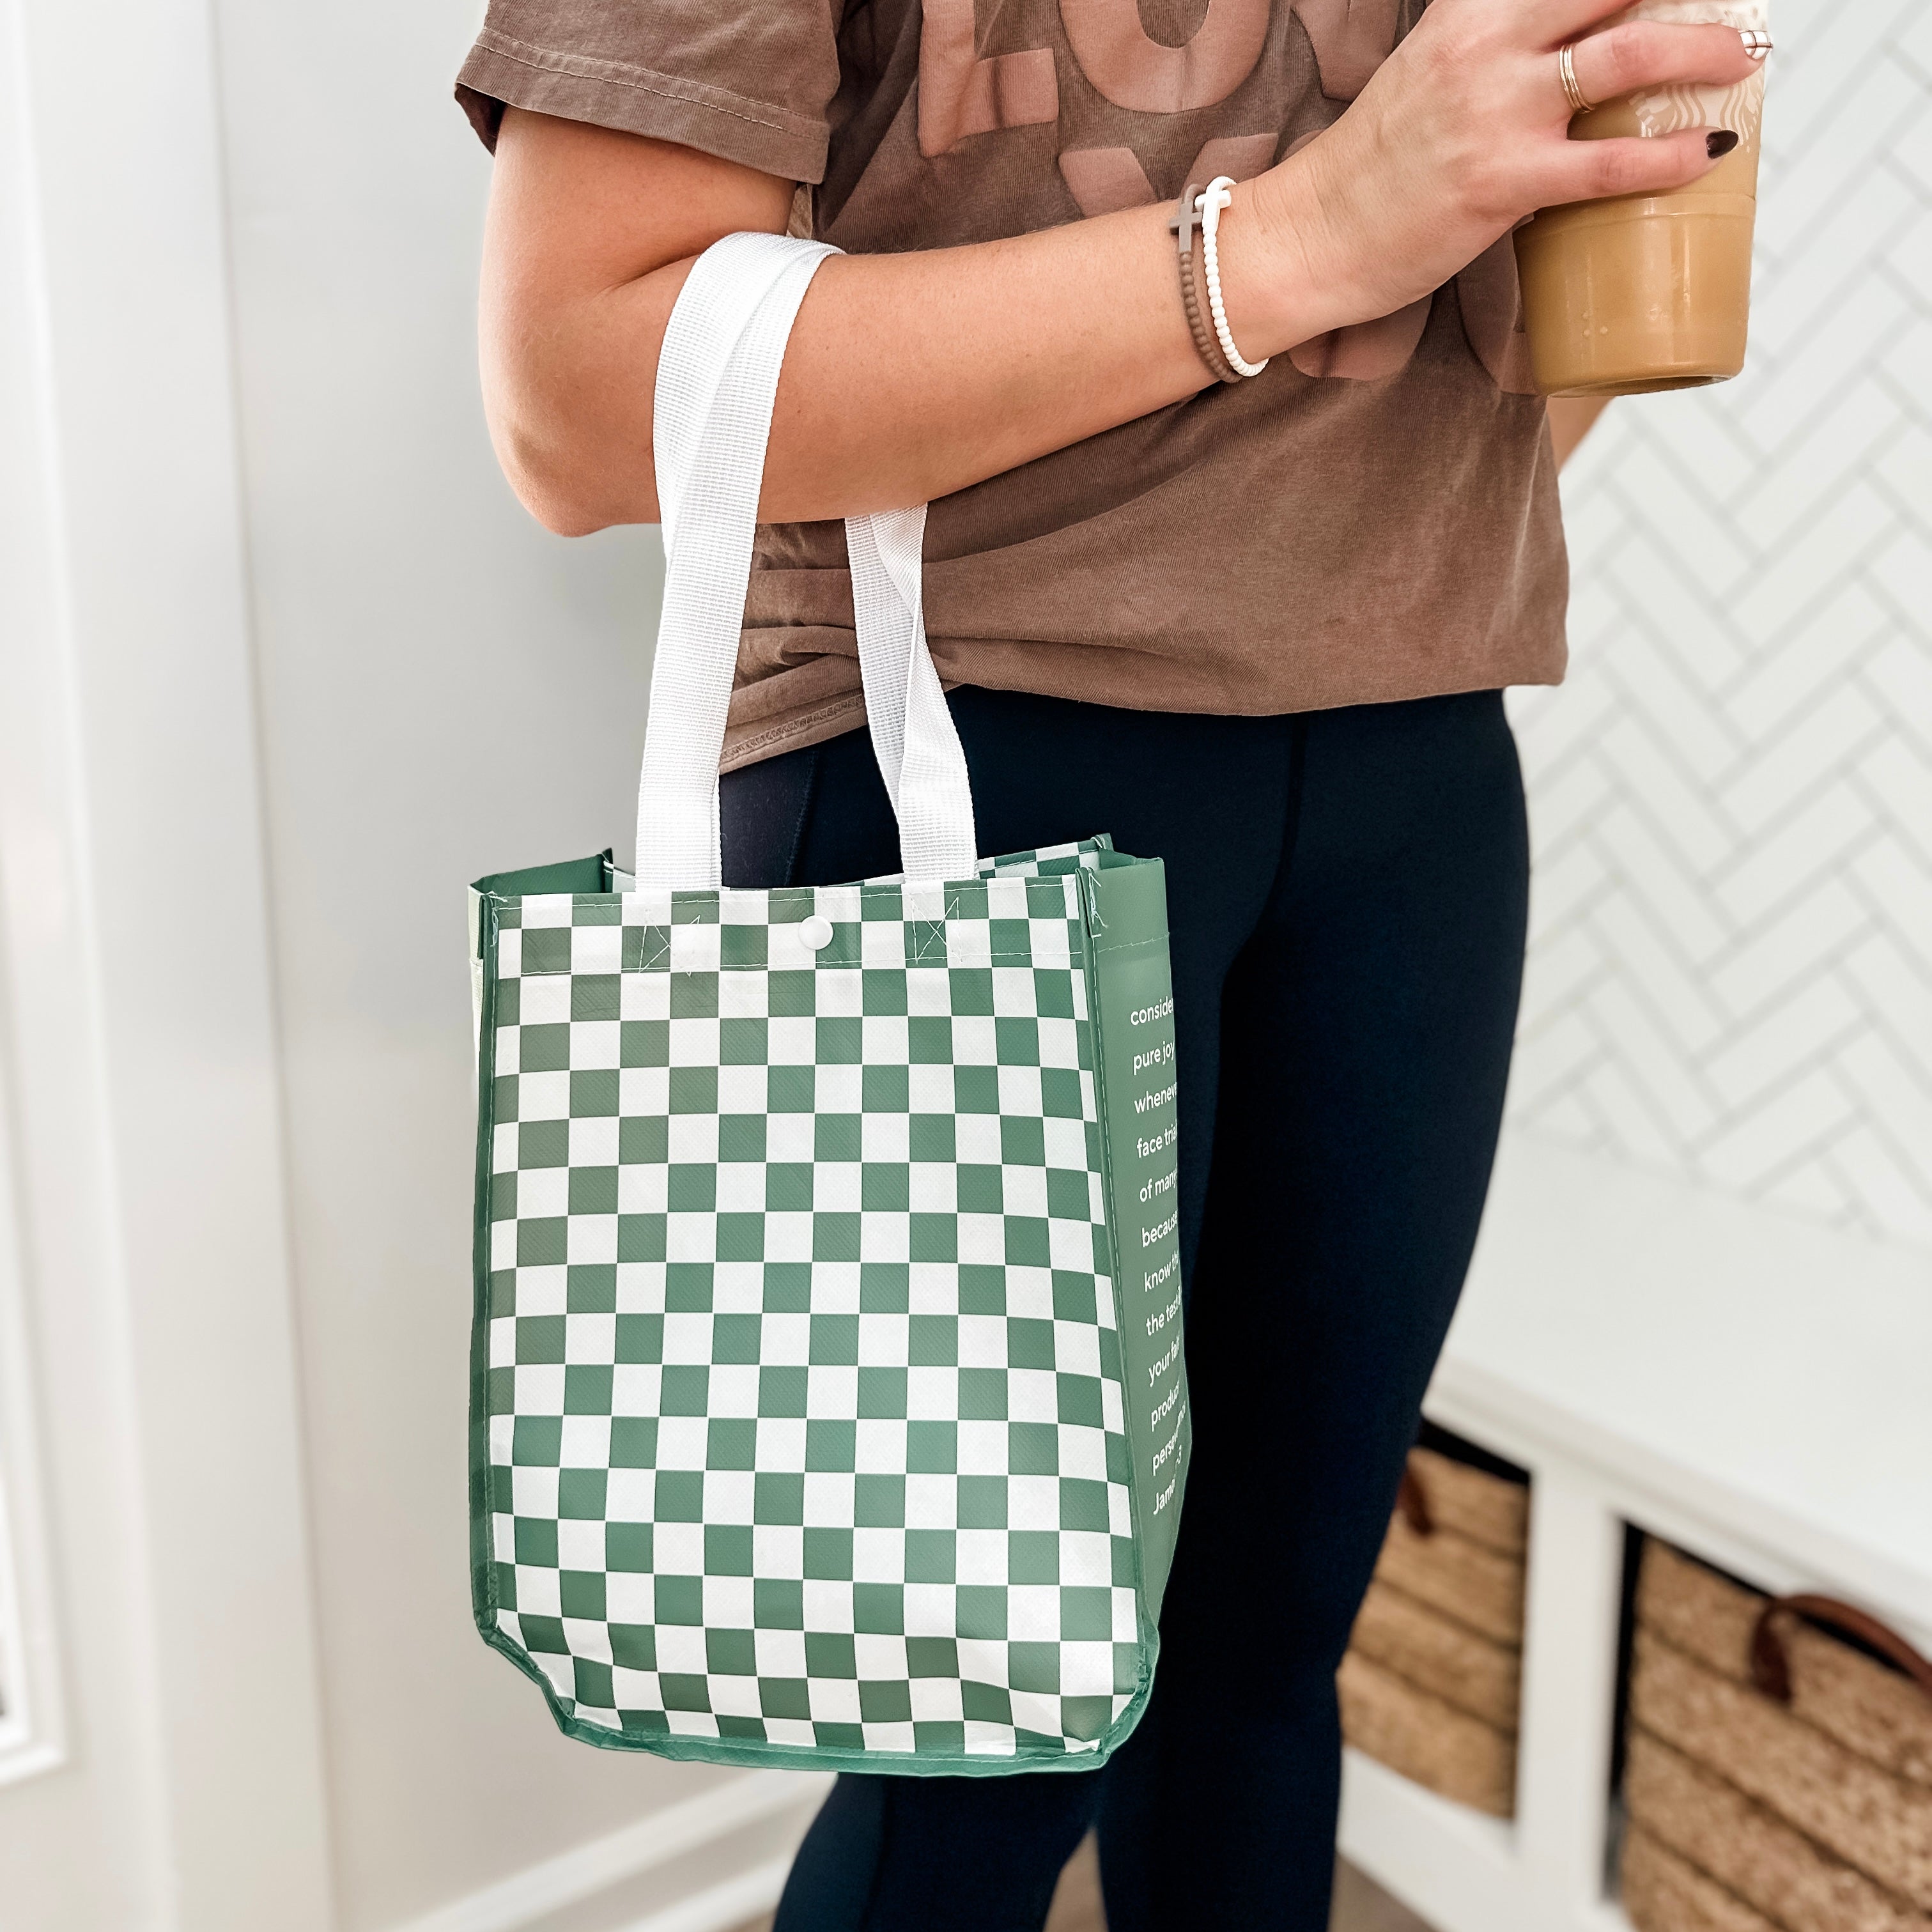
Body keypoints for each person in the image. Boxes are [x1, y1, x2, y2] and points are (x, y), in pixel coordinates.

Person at [456, 3, 1758, 1925]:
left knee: (1262, 1667)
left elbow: (1528, 377)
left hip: (1417, 756)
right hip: (965, 768)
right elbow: (570, 401)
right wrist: (1302, 237)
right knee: (989, 1748)